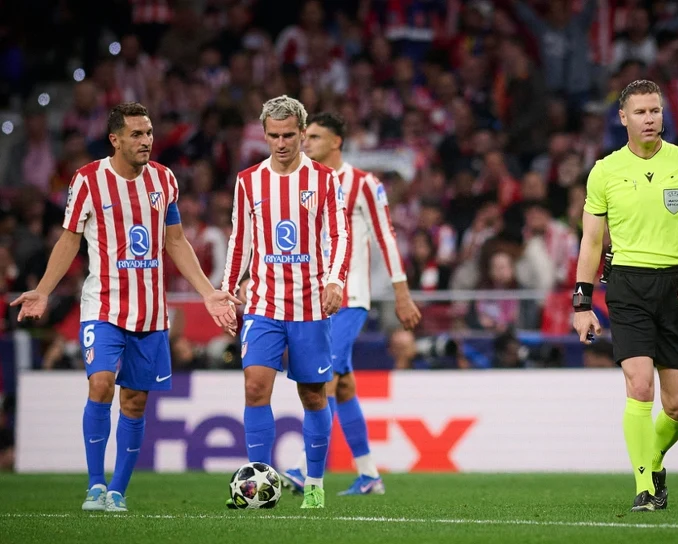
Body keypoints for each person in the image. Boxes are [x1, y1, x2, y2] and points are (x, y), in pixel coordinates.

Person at [11, 102, 240, 512]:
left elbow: (175, 241)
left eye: (149, 132)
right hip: (103, 305)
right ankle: (95, 486)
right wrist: (44, 290)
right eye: (137, 134)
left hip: (151, 313)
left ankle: (118, 491)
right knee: (100, 384)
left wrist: (208, 292)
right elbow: (69, 240)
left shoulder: (164, 180)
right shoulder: (87, 181)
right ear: (115, 139)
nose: (146, 140)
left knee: (135, 401)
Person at [571, 80, 678, 512]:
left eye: (655, 111)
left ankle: (653, 461)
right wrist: (582, 304)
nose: (650, 119)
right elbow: (591, 242)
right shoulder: (605, 170)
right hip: (628, 284)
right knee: (639, 386)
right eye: (640, 112)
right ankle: (644, 489)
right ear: (623, 118)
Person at [277, 112, 421, 496]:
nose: (305, 143)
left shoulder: (363, 183)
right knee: (343, 386)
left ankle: (305, 467)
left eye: (315, 137)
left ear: (337, 142)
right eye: (305, 137)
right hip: (313, 299)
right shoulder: (301, 182)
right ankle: (369, 474)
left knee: (322, 377)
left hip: (351, 296)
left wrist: (401, 291)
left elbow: (386, 237)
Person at [221, 96, 350, 509]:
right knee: (255, 386)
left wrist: (335, 281)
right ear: (264, 134)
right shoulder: (248, 181)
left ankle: (313, 483)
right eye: (273, 135)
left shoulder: (325, 180)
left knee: (313, 395)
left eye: (289, 135)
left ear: (301, 132)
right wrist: (227, 289)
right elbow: (240, 239)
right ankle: (258, 486)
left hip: (311, 306)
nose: (281, 143)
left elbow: (340, 236)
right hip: (264, 303)